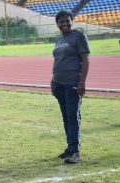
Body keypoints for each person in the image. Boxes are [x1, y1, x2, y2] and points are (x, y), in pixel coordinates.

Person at [51, 10, 90, 164]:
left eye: (67, 21)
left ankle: (75, 152)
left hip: (73, 83)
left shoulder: (79, 36)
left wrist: (82, 82)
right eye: (61, 22)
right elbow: (57, 60)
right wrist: (53, 80)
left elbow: (86, 60)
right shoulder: (59, 39)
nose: (65, 24)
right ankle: (69, 148)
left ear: (72, 21)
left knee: (73, 116)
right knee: (66, 116)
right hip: (58, 83)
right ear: (58, 24)